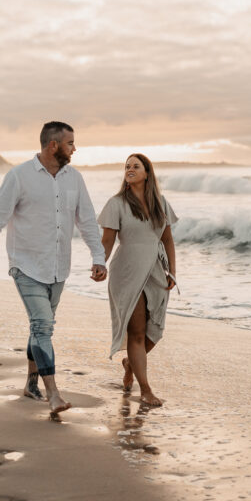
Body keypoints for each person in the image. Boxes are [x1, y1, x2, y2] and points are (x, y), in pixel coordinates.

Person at [0, 121, 107, 415]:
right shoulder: (19, 177)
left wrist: (98, 257)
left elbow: (86, 221)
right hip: (26, 265)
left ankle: (31, 384)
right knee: (43, 326)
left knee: (39, 326)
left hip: (59, 267)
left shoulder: (75, 179)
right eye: (71, 143)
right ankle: (54, 394)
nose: (75, 148)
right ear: (53, 145)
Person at [98, 153, 178, 406]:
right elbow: (108, 240)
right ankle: (145, 390)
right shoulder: (117, 203)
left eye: (136, 166)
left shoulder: (160, 203)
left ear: (147, 173)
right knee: (136, 333)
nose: (130, 169)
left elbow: (167, 239)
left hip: (155, 270)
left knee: (153, 331)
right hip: (127, 270)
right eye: (127, 167)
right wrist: (99, 263)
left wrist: (172, 271)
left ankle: (129, 363)